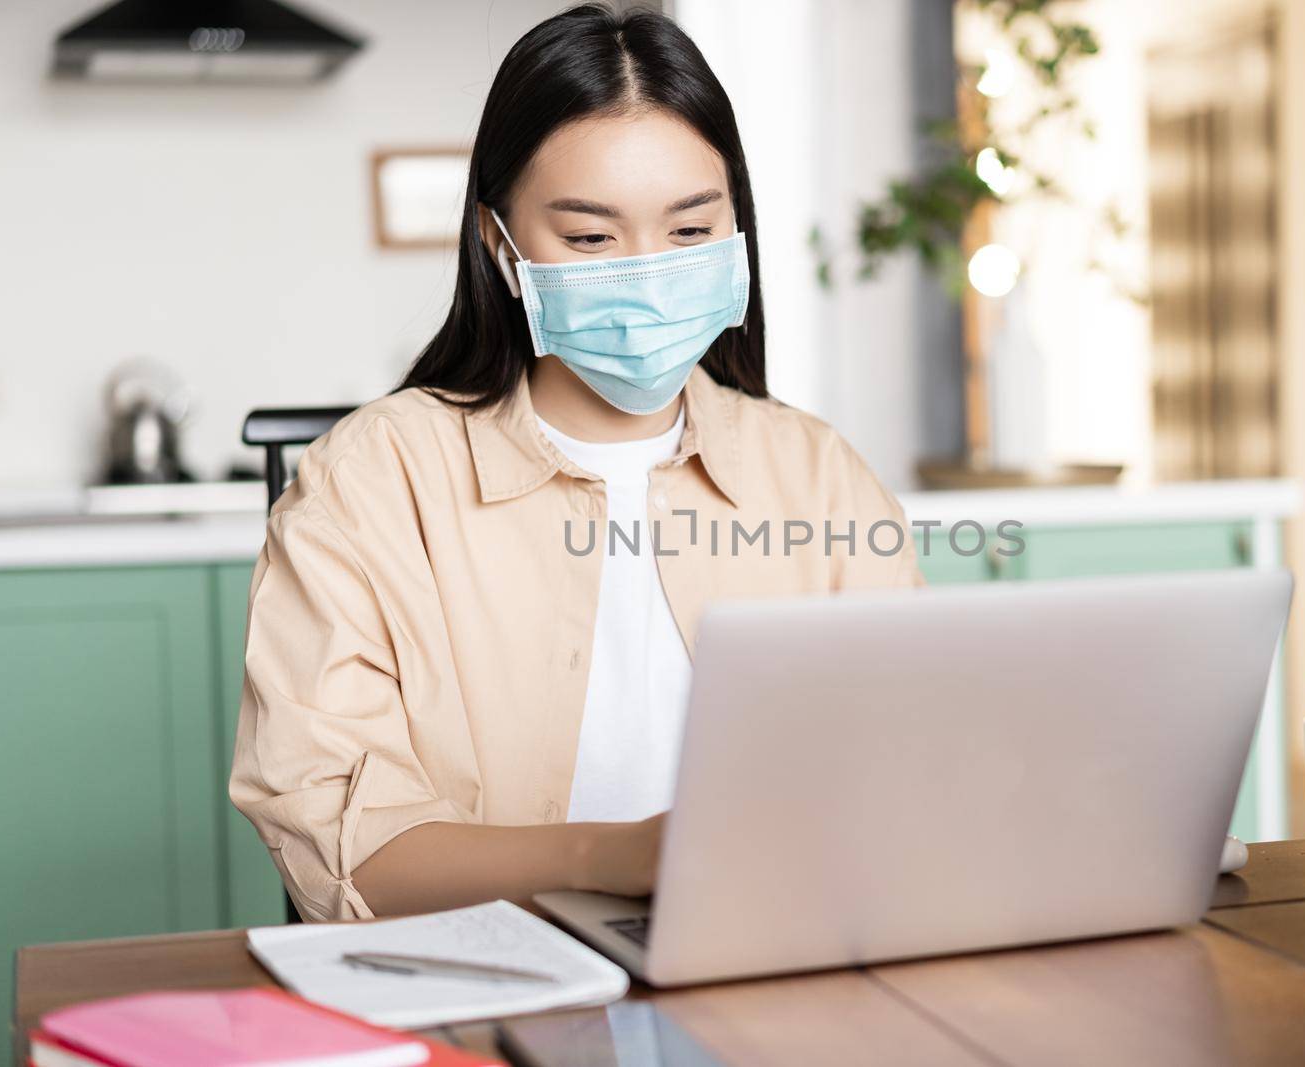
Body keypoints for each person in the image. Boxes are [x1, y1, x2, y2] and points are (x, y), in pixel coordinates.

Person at [229, 2, 923, 922]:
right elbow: (344, 853)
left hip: (775, 963)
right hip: (482, 988)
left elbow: (911, 768)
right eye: (592, 238)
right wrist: (618, 856)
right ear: (502, 247)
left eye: (688, 232)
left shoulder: (817, 472)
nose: (646, 273)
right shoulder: (368, 482)